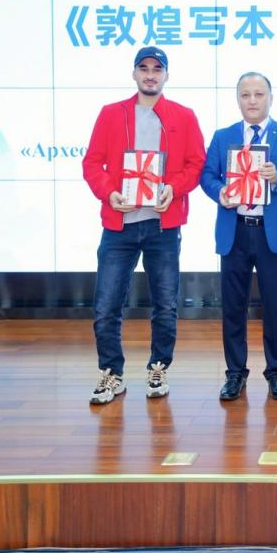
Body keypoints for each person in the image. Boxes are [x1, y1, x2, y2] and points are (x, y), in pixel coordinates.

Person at [82, 46, 206, 404]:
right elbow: (92, 163)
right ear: (134, 73)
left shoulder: (183, 115)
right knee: (106, 305)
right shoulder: (111, 114)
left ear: (166, 75)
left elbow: (196, 164)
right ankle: (112, 373)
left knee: (165, 304)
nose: (150, 75)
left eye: (157, 69)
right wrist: (110, 193)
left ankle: (158, 367)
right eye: (144, 68)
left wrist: (173, 188)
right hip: (119, 224)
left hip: (162, 226)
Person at [200, 72, 277, 402]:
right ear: (238, 100)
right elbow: (207, 175)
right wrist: (220, 192)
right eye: (245, 95)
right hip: (234, 230)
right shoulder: (223, 137)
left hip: (272, 234)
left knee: (275, 306)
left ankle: (276, 373)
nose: (252, 100)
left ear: (270, 98)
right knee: (233, 307)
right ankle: (235, 373)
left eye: (259, 94)